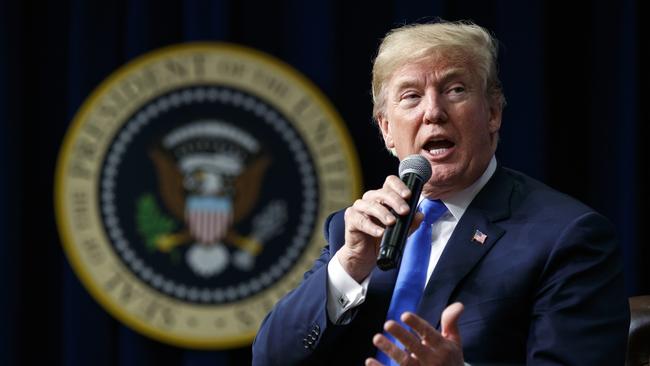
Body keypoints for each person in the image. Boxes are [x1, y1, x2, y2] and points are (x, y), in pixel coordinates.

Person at [252, 20, 630, 365]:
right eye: (411, 96)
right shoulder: (355, 233)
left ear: (493, 113)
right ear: (386, 130)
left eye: (455, 89)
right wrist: (348, 266)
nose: (433, 111)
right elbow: (271, 358)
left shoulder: (568, 237)